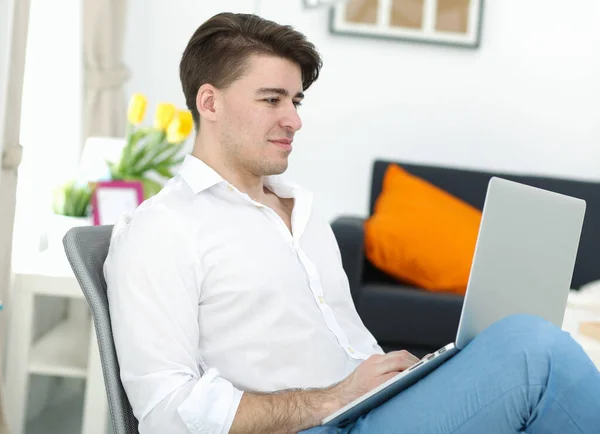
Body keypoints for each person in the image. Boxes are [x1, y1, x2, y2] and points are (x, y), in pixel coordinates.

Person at [104, 12, 600, 434]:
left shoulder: (303, 214)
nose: (294, 120)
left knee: (519, 341)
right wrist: (330, 398)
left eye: (295, 102)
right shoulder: (162, 230)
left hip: (367, 410)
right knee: (534, 352)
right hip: (323, 424)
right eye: (271, 99)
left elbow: (347, 349)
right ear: (209, 103)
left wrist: (405, 374)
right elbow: (165, 411)